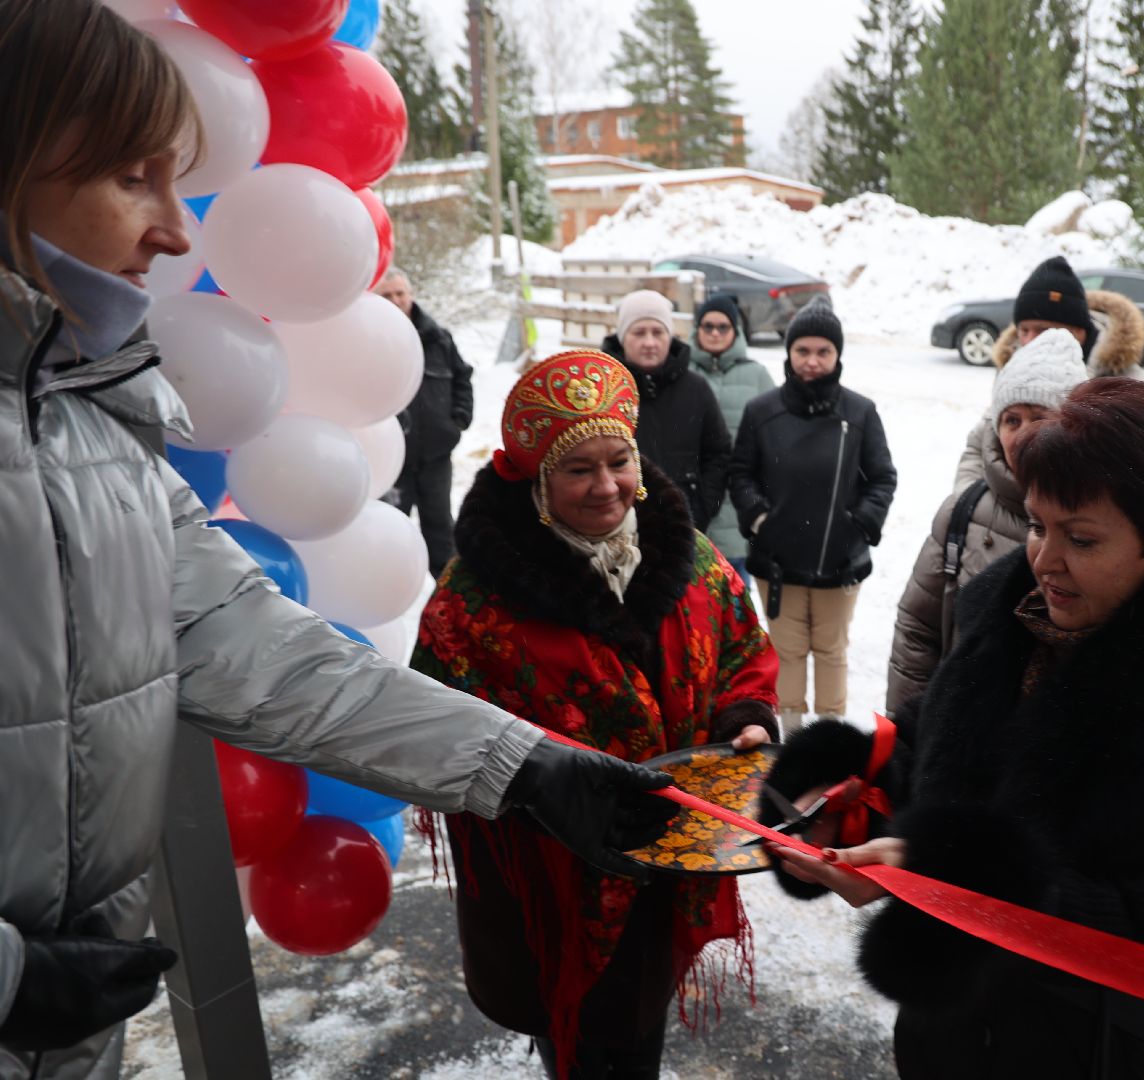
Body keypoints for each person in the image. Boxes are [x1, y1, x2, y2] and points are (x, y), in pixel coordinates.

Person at [0, 5, 670, 1076]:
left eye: (179, 181)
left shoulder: (96, 431)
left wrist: (528, 768)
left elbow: (276, 657)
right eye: (134, 178)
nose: (177, 230)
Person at [766, 378, 1144, 1078]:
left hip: (1119, 1051)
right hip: (965, 1036)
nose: (1044, 561)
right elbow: (938, 750)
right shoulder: (1009, 611)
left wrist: (963, 884)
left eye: (1080, 538)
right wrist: (854, 787)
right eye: (1035, 523)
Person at [411, 347, 779, 1079]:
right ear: (537, 480)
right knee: (582, 1029)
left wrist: (746, 712)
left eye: (620, 462)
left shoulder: (693, 557)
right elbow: (438, 735)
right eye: (578, 470)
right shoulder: (474, 600)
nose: (607, 486)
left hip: (670, 851)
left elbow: (741, 645)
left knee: (637, 1021)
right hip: (555, 874)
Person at [886, 328, 1086, 713]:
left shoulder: (1097, 519)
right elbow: (917, 631)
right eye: (1012, 420)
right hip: (964, 734)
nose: (1023, 434)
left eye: (1040, 418)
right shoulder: (961, 512)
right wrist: (908, 740)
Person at [730, 303, 897, 731]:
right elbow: (741, 473)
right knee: (785, 652)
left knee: (830, 651)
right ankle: (789, 738)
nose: (812, 361)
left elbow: (881, 477)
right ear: (788, 354)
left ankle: (825, 738)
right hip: (778, 563)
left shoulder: (860, 413)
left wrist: (858, 524)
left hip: (839, 562)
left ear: (837, 355)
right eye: (803, 350)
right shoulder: (761, 411)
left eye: (823, 351)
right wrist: (759, 519)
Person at [954, 255, 1144, 492]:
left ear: (1079, 331)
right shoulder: (1016, 369)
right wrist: (969, 505)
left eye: (1044, 330)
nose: (1029, 340)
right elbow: (980, 444)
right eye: (1023, 330)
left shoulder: (1130, 387)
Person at [600, 289, 730, 531]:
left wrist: (701, 508)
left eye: (658, 332)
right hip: (617, 527)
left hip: (684, 525)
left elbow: (718, 454)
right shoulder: (603, 390)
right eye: (639, 332)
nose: (649, 342)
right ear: (622, 337)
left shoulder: (696, 389)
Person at [373, 266, 473, 577]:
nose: (395, 300)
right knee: (388, 536)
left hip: (435, 456)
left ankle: (453, 601)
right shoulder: (368, 339)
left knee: (441, 534)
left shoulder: (438, 337)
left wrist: (458, 419)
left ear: (411, 295)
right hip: (390, 461)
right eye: (386, 295)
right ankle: (384, 598)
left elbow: (463, 377)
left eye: (400, 293)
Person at [688, 293, 774, 587]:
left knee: (736, 608)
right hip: (690, 509)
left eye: (722, 327)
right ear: (696, 329)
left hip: (737, 513)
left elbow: (771, 441)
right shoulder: (682, 372)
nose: (714, 333)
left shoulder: (757, 375)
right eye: (708, 326)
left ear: (735, 332)